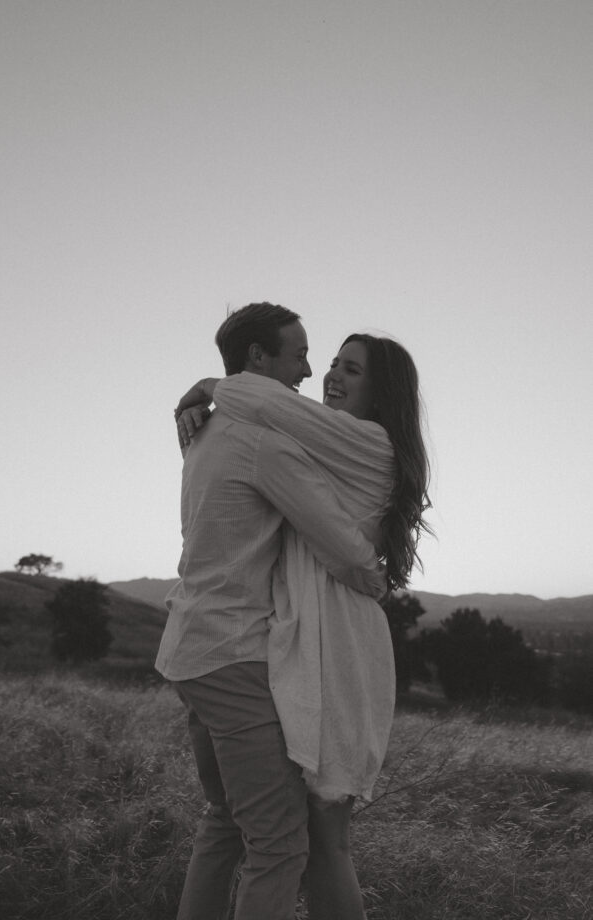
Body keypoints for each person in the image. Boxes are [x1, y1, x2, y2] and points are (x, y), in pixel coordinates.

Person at [176, 332, 431, 920]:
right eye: (333, 364)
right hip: (297, 646)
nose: (333, 375)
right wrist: (202, 412)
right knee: (297, 832)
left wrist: (209, 388)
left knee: (327, 835)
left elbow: (267, 407)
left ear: (383, 391)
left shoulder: (369, 443)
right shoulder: (322, 438)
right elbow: (255, 448)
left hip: (339, 646)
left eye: (353, 370)